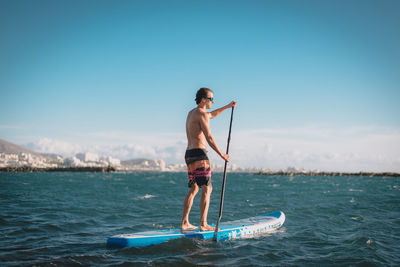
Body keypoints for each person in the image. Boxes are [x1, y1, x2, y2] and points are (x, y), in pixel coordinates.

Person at [181, 87, 237, 231]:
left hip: (189, 154)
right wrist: (222, 154)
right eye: (211, 99)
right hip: (200, 154)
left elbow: (211, 114)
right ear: (204, 99)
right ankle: (203, 224)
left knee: (194, 188)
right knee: (207, 188)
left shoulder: (192, 113)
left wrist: (228, 106)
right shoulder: (202, 114)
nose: (213, 101)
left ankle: (185, 222)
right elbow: (209, 137)